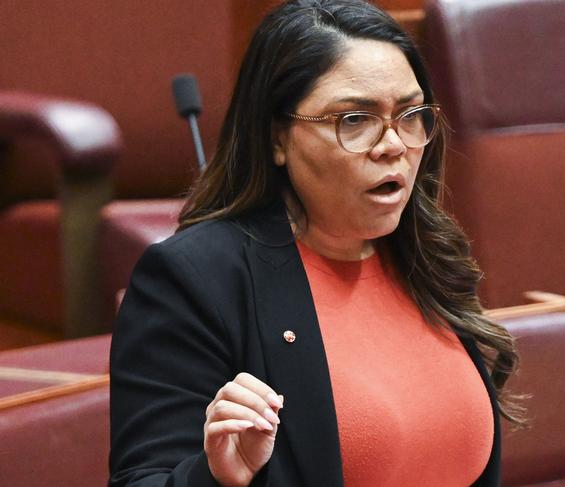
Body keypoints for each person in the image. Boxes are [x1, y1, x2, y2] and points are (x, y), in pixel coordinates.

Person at [109, 1, 520, 486]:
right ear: (277, 137)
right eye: (353, 119)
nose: (393, 144)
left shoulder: (427, 255)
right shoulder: (195, 279)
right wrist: (216, 479)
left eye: (410, 114)